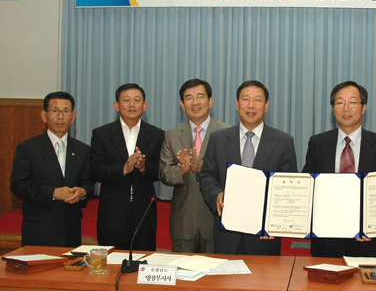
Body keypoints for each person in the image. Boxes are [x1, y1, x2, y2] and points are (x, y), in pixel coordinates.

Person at [199, 80, 297, 255]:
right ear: (237, 104)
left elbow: (289, 188)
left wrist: (277, 224)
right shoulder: (218, 139)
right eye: (245, 99)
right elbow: (207, 176)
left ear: (266, 106)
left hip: (264, 238)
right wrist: (217, 194)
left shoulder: (283, 142)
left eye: (257, 100)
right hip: (226, 236)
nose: (251, 105)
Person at [303, 81, 376, 259]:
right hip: (327, 236)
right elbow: (309, 187)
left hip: (368, 238)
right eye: (340, 102)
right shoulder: (318, 143)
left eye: (353, 102)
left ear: (363, 108)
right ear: (333, 109)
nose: (346, 108)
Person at [10, 92, 95, 247]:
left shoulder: (83, 150)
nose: (60, 117)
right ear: (44, 115)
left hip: (71, 230)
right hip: (38, 230)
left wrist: (83, 192)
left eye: (66, 111)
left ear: (73, 117)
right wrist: (52, 193)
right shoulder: (28, 148)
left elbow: (89, 183)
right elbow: (18, 185)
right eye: (54, 111)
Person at [90, 83, 164, 251]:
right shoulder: (101, 134)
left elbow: (161, 170)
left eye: (137, 100)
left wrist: (144, 167)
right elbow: (94, 170)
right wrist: (123, 169)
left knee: (143, 260)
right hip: (112, 213)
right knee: (112, 261)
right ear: (117, 105)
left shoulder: (157, 134)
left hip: (144, 212)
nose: (132, 105)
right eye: (126, 100)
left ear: (144, 105)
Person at [159, 79, 229, 253]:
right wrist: (182, 172)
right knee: (182, 269)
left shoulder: (226, 133)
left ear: (210, 101)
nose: (195, 102)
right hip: (183, 221)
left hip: (215, 219)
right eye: (189, 98)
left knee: (215, 270)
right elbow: (164, 173)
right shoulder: (172, 135)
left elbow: (231, 173)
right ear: (182, 105)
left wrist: (201, 168)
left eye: (200, 96)